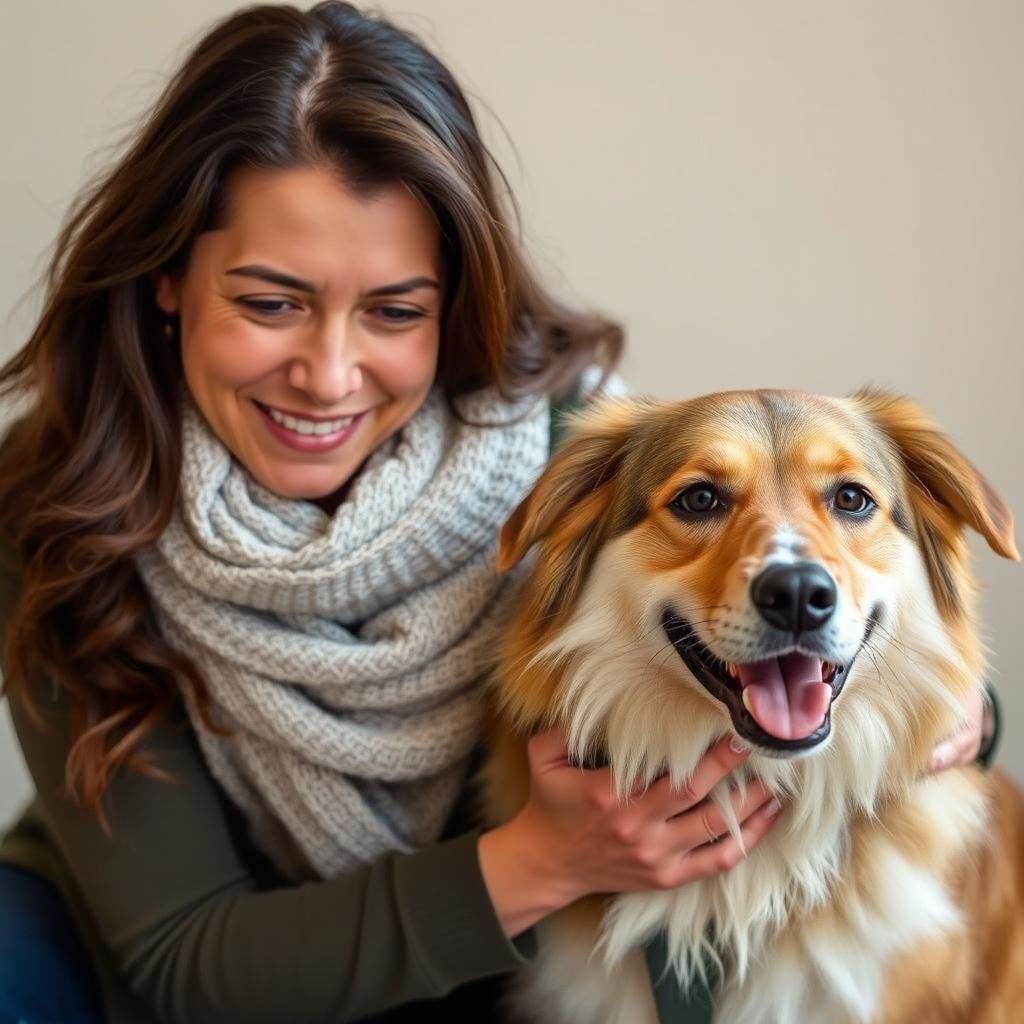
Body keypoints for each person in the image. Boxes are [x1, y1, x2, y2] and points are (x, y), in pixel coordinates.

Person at [0, 4, 995, 1023]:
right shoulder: (72, 488)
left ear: (453, 299)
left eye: (394, 310)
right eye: (269, 302)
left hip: (468, 955)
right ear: (169, 276)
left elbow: (762, 630)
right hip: (158, 948)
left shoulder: (562, 435)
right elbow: (183, 955)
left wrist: (959, 711)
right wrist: (534, 860)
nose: (328, 374)